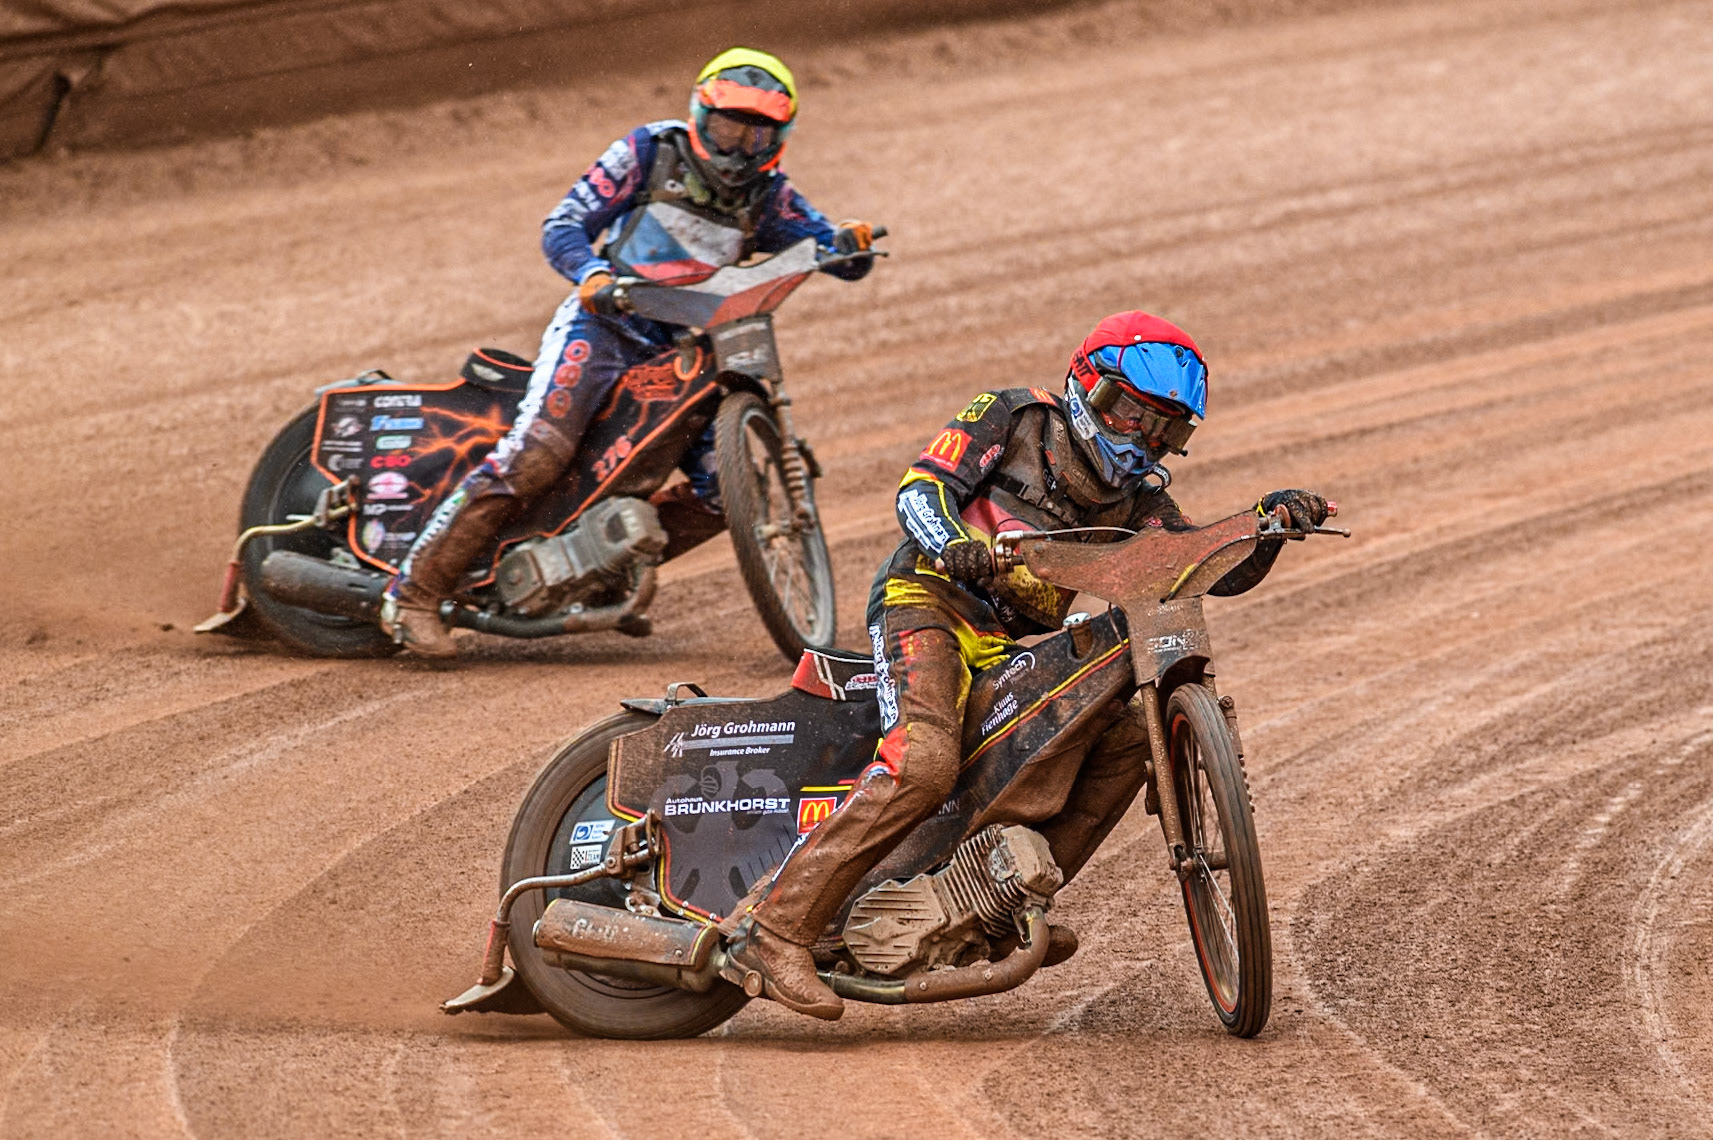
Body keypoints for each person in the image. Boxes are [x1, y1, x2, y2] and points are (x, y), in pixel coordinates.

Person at [724, 310, 1329, 1019]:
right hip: (928, 604)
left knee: (1128, 734)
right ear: (1084, 386)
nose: (1142, 436)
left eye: (1166, 429)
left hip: (1015, 643)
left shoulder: (1142, 499)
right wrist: (954, 543)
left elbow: (1197, 567)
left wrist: (1268, 524)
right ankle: (775, 928)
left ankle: (996, 906)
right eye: (1129, 412)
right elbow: (918, 491)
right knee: (921, 764)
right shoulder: (1009, 417)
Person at [381, 47, 876, 657]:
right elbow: (562, 225)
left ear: (779, 135)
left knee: (728, 492)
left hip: (693, 349)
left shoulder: (770, 196)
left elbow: (830, 250)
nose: (738, 147)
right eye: (728, 127)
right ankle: (414, 595)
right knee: (537, 455)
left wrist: (846, 244)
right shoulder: (648, 151)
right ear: (701, 115)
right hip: (606, 329)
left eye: (756, 133)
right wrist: (591, 275)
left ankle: (598, 569)